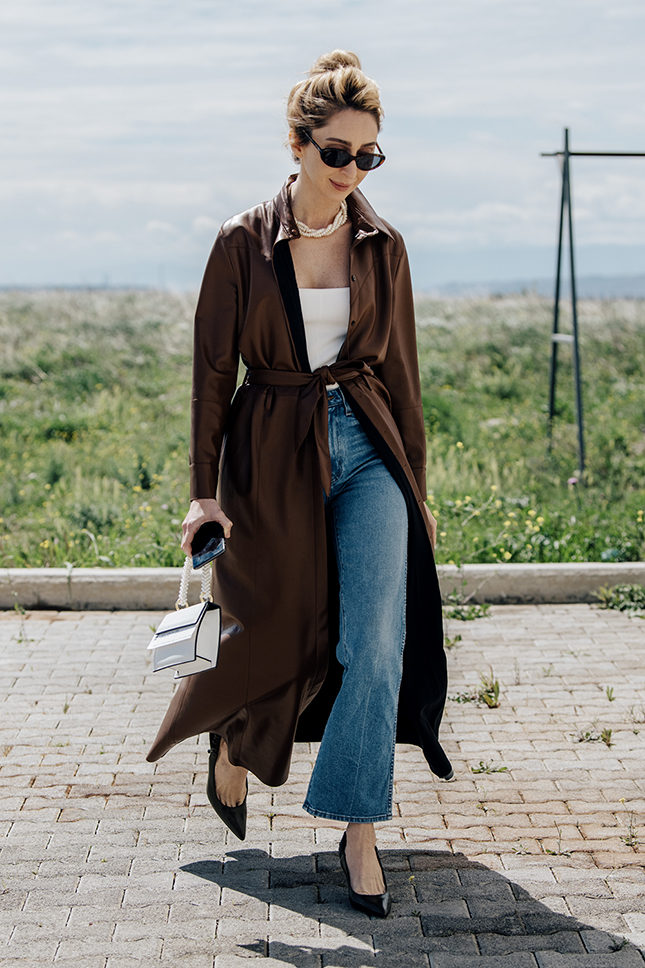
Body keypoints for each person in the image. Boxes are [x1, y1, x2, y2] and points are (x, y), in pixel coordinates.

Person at [146, 49, 453, 918]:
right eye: (337, 153)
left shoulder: (381, 244)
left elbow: (403, 377)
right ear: (296, 144)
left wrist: (416, 491)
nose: (353, 170)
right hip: (270, 447)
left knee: (376, 639)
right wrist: (203, 491)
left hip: (367, 446)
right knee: (277, 626)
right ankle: (233, 747)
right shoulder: (241, 243)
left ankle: (358, 828)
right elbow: (212, 375)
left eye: (369, 156)